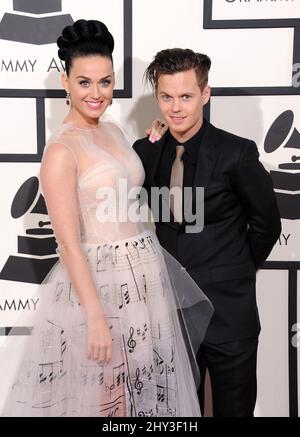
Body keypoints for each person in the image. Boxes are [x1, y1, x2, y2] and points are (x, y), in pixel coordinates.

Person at [0, 21, 213, 417]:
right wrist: (96, 318)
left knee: (147, 395)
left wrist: (158, 136)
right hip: (99, 287)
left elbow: (131, 179)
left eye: (105, 82)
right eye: (84, 83)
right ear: (65, 81)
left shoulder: (113, 129)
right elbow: (67, 244)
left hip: (144, 275)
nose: (96, 94)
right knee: (107, 401)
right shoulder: (61, 151)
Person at [133, 48, 282, 417]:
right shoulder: (145, 152)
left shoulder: (237, 153)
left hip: (230, 315)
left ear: (205, 94)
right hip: (172, 318)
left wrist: (235, 269)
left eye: (186, 96)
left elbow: (266, 225)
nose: (176, 108)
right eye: (166, 97)